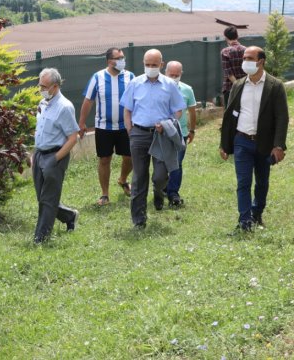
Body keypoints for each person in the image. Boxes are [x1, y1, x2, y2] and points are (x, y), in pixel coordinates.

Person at [219, 46, 289, 232]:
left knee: (262, 182)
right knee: (243, 183)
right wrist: (224, 144)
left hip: (264, 143)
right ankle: (245, 220)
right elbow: (229, 116)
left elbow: (282, 117)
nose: (245, 61)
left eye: (250, 58)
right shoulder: (238, 85)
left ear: (261, 61)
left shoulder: (275, 86)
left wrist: (279, 145)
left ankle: (257, 212)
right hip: (241, 140)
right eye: (244, 58)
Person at [120, 49, 186, 229]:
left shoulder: (170, 85)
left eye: (154, 65)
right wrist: (130, 130)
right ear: (143, 64)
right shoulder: (135, 83)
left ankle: (159, 194)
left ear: (161, 65)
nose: (150, 68)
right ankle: (138, 220)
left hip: (161, 135)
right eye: (147, 65)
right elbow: (127, 109)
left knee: (159, 176)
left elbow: (179, 109)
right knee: (139, 177)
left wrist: (167, 123)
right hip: (139, 134)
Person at [78, 47, 135, 206]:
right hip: (104, 127)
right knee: (104, 159)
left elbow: (137, 99)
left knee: (130, 157)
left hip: (126, 126)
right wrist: (81, 123)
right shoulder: (98, 77)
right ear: (110, 61)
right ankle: (105, 194)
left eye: (123, 57)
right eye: (119, 58)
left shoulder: (130, 77)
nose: (122, 60)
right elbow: (88, 101)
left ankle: (123, 180)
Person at [32, 68, 80, 243]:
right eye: (40, 85)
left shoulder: (65, 107)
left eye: (44, 86)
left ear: (55, 86)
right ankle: (69, 216)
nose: (41, 89)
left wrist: (56, 159)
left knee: (48, 199)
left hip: (54, 156)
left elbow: (73, 137)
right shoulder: (43, 103)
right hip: (38, 156)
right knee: (42, 197)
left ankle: (41, 238)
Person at [163, 61, 197, 208]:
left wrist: (192, 130)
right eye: (171, 75)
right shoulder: (159, 87)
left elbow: (192, 111)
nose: (174, 77)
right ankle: (162, 187)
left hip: (180, 132)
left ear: (181, 74)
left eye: (177, 75)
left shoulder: (187, 90)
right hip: (161, 132)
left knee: (177, 163)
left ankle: (173, 193)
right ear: (165, 72)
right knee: (162, 164)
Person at [221, 26, 246, 106]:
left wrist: (237, 85)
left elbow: (229, 73)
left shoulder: (225, 51)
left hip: (230, 87)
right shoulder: (246, 49)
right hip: (245, 86)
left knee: (229, 113)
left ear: (226, 37)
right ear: (237, 36)